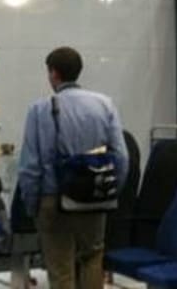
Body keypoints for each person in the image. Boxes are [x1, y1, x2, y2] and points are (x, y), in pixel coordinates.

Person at [17, 47, 129, 289]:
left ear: (53, 73)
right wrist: (110, 191)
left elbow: (30, 167)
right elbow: (121, 156)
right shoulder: (104, 104)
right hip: (94, 199)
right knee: (92, 258)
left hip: (53, 199)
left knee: (61, 269)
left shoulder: (39, 109)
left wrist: (32, 205)